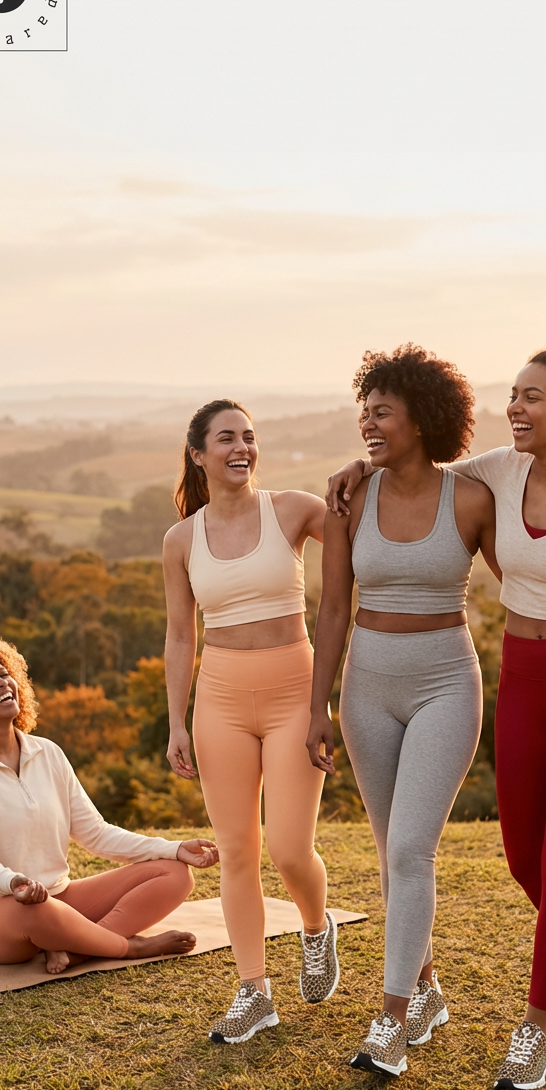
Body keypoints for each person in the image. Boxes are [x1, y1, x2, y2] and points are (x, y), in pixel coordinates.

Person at [326, 325, 546, 1090]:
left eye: (530, 397)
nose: (514, 407)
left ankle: (532, 1032)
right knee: (520, 858)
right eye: (510, 395)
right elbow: (421, 466)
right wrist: (357, 460)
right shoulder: (496, 472)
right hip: (524, 674)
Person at [307, 346, 499, 1076]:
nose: (369, 423)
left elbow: (526, 582)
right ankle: (425, 991)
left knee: (414, 847)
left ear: (423, 417)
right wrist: (318, 705)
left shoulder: (472, 498)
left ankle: (389, 1021)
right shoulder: (351, 499)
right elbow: (330, 609)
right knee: (392, 855)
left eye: (382, 411)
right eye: (365, 411)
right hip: (367, 687)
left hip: (447, 682)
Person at [163, 399, 337, 1045]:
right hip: (222, 701)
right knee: (237, 850)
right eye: (227, 438)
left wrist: (355, 477)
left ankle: (316, 928)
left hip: (296, 690)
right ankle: (253, 990)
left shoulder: (291, 511)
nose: (242, 448)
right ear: (198, 453)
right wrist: (176, 722)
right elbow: (181, 638)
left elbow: (360, 532)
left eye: (250, 437)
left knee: (290, 849)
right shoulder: (180, 540)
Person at [0, 637, 218, 974]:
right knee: (32, 911)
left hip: (59, 899)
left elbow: (96, 833)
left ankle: (79, 950)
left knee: (174, 874)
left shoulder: (48, 753)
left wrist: (173, 848)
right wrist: (14, 884)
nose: (2, 683)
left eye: (4, 674)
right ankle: (129, 947)